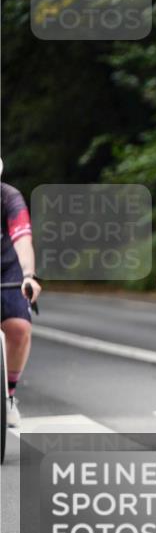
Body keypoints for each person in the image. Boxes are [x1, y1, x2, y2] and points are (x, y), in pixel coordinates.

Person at [0, 177, 42, 427]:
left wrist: (29, 276)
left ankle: (9, 396)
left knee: (19, 327)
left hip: (8, 267)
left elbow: (22, 237)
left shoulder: (9, 197)